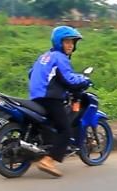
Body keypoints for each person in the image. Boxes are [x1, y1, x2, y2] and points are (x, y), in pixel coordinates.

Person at [28, 25, 90, 178]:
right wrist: (84, 79)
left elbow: (31, 73)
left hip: (36, 97)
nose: (70, 45)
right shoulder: (59, 58)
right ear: (58, 42)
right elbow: (69, 79)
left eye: (72, 42)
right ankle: (48, 161)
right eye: (67, 42)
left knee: (50, 125)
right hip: (51, 99)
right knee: (66, 130)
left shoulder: (44, 56)